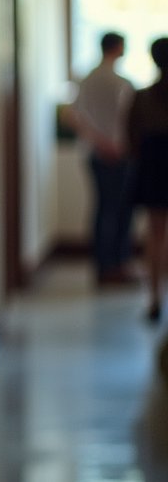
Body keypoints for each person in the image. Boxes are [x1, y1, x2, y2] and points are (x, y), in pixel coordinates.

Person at [69, 31, 136, 285]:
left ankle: (103, 266)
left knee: (103, 209)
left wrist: (97, 141)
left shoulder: (87, 80)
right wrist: (112, 144)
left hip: (95, 153)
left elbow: (73, 116)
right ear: (118, 48)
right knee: (119, 211)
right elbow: (130, 120)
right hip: (118, 154)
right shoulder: (121, 83)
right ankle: (117, 265)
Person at [128, 37, 168, 321]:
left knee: (155, 235)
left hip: (154, 166)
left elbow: (131, 138)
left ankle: (155, 297)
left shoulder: (143, 97)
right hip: (155, 163)